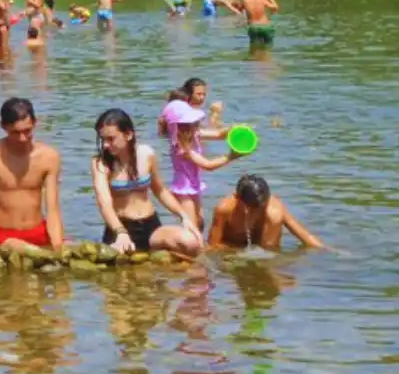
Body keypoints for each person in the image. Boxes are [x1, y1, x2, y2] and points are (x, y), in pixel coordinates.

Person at [89, 108, 202, 256]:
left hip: (151, 225)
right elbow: (104, 203)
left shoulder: (147, 154)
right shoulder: (100, 164)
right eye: (102, 139)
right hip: (120, 227)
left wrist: (184, 216)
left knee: (190, 243)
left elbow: (160, 190)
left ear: (128, 134)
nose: (105, 145)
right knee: (119, 271)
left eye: (111, 139)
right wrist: (120, 232)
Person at [0, 97, 65, 250]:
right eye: (15, 132)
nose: (22, 138)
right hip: (3, 235)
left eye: (27, 131)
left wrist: (58, 246)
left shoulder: (49, 157)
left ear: (35, 123)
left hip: (38, 231)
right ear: (3, 126)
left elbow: (53, 209)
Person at [161, 80, 242, 232]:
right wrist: (231, 156)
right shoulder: (182, 148)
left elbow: (218, 134)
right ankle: (189, 248)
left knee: (200, 223)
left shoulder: (194, 134)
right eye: (191, 124)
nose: (195, 126)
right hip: (183, 188)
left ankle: (195, 247)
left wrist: (234, 130)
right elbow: (208, 165)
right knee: (191, 226)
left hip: (194, 185)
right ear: (179, 128)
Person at [208, 174, 324, 251]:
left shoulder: (273, 210)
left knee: (274, 216)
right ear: (236, 198)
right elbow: (212, 245)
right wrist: (237, 253)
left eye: (261, 207)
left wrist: (332, 253)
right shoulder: (224, 209)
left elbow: (306, 237)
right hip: (231, 250)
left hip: (263, 248)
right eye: (251, 207)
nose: (256, 212)